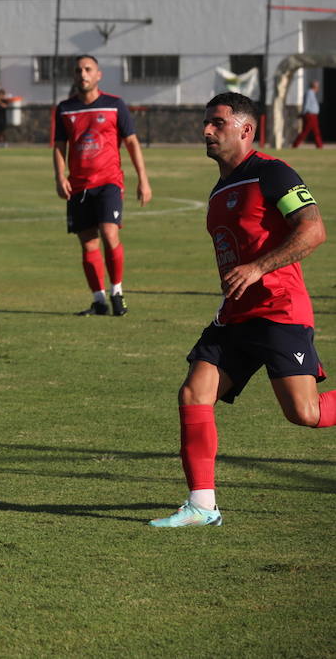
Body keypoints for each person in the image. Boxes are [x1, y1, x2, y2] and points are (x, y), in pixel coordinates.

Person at [149, 92, 333, 527]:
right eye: (206, 122)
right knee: (195, 392)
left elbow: (314, 230)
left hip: (279, 310)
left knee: (304, 413)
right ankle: (201, 504)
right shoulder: (219, 190)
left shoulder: (273, 174)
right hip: (234, 316)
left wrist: (258, 267)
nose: (206, 131)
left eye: (217, 123)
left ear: (245, 130)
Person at [52, 54, 152, 316]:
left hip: (108, 181)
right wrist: (59, 176)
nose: (83, 74)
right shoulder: (65, 108)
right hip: (78, 186)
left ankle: (117, 291)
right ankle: (99, 300)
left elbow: (131, 143)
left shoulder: (115, 105)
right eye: (78, 70)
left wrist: (143, 178)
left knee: (109, 234)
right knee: (88, 244)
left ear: (98, 75)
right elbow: (60, 147)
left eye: (88, 69)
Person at [292, 78, 323, 149]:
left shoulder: (312, 93)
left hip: (313, 115)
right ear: (314, 87)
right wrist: (303, 113)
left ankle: (319, 145)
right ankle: (295, 145)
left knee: (316, 131)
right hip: (310, 115)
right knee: (305, 131)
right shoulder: (309, 93)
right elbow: (307, 104)